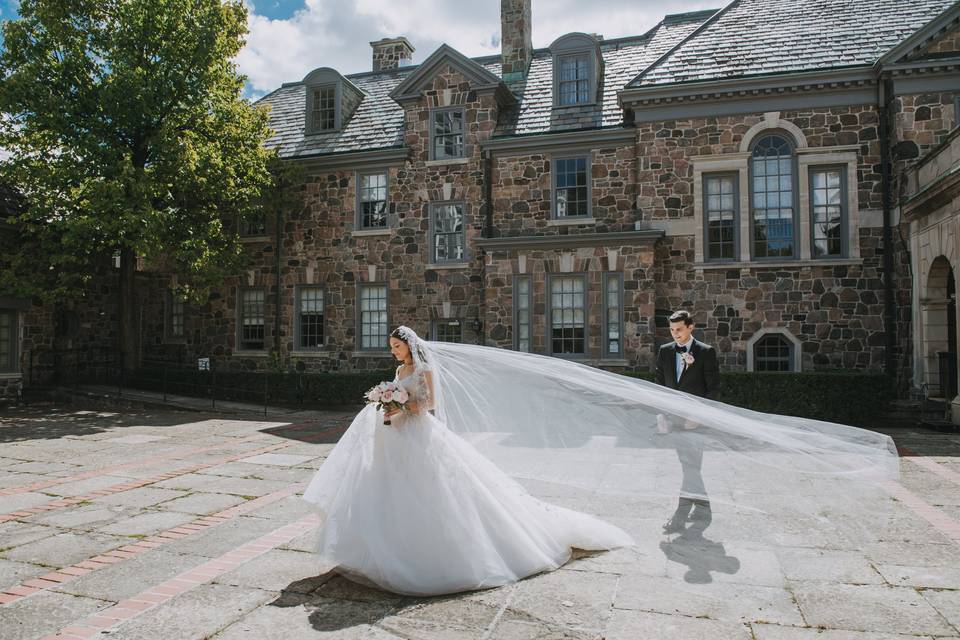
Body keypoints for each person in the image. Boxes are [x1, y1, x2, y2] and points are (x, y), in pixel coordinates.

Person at [302, 325, 633, 596]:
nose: (393, 351)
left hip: (419, 432)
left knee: (433, 489)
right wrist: (388, 404)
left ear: (408, 345)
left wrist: (400, 405)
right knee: (388, 488)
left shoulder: (424, 369)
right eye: (391, 347)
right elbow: (399, 392)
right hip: (395, 435)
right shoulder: (401, 369)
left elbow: (429, 403)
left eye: (396, 347)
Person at [654, 310, 720, 535]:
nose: (675, 335)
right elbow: (660, 387)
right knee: (690, 468)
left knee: (690, 467)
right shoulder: (665, 352)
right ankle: (704, 508)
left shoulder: (706, 352)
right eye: (672, 330)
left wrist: (698, 417)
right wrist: (661, 415)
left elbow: (713, 391)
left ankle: (679, 518)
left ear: (691, 327)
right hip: (673, 422)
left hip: (696, 425)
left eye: (679, 329)